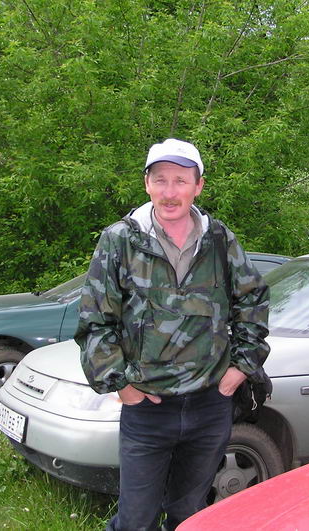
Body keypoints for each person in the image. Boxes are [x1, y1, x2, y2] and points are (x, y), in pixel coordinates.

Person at [75, 138, 270, 530]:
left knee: (191, 515)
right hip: (148, 408)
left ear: (198, 186)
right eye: (160, 180)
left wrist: (240, 369)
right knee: (136, 520)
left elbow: (253, 299)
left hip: (210, 406)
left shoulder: (220, 239)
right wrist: (121, 385)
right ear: (147, 184)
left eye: (180, 180)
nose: (169, 192)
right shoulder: (121, 240)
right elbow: (95, 320)